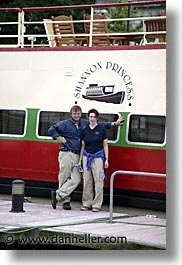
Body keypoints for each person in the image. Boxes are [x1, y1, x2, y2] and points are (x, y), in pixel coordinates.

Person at [48, 105, 124, 210]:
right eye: (75, 113)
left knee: (77, 178)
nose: (77, 115)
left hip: (78, 155)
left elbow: (99, 124)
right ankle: (65, 201)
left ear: (81, 114)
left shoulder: (85, 123)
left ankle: (57, 195)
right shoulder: (64, 124)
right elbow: (51, 129)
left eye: (78, 113)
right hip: (66, 153)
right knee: (64, 177)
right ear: (71, 114)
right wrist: (59, 137)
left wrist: (114, 123)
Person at [78, 108, 109, 212]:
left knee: (99, 181)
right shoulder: (84, 130)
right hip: (87, 157)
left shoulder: (102, 130)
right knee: (87, 181)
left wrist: (106, 159)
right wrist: (80, 160)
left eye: (94, 117)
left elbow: (105, 145)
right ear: (88, 118)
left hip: (98, 157)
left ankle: (96, 205)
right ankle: (86, 203)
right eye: (91, 117)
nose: (92, 119)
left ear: (97, 118)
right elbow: (82, 146)